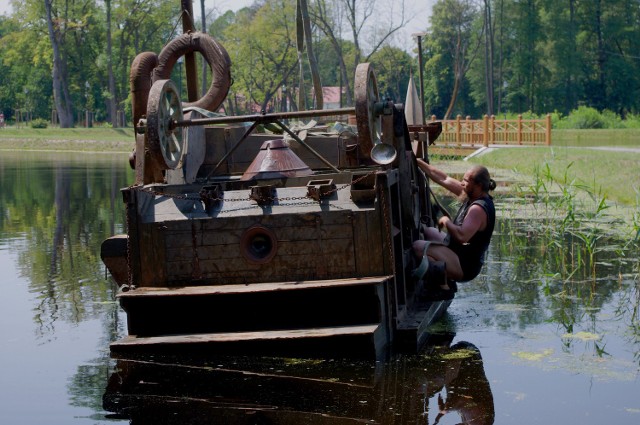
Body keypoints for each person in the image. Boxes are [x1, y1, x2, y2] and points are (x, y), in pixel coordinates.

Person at [412, 159, 496, 292]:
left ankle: (444, 285)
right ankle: (442, 273)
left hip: (464, 265)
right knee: (429, 231)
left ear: (478, 185)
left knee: (417, 247)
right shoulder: (471, 194)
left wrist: (446, 221)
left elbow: (462, 236)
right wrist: (417, 161)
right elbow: (444, 178)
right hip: (458, 252)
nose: (462, 183)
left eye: (466, 181)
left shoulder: (477, 209)